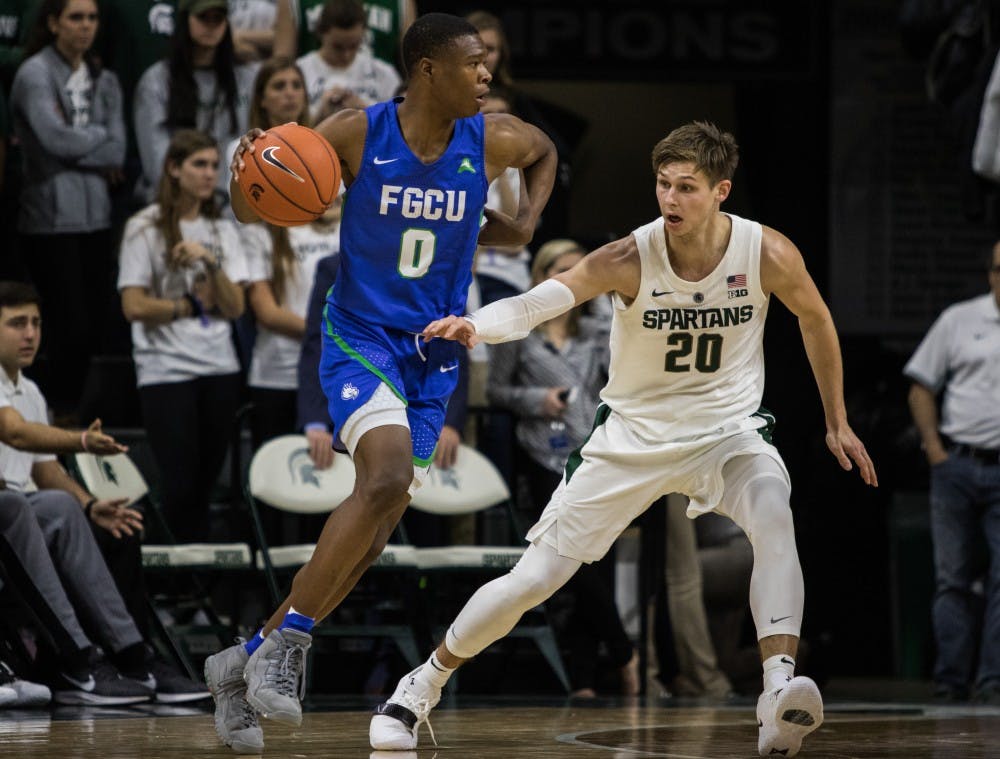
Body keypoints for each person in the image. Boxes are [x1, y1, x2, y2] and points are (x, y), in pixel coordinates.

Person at [374, 121, 878, 758]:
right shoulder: (629, 256)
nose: (670, 199)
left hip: (725, 431)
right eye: (663, 185)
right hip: (630, 438)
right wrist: (475, 325)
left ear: (721, 191)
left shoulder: (767, 252)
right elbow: (538, 302)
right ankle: (420, 686)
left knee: (775, 512)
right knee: (534, 579)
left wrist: (836, 418)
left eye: (686, 188)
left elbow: (815, 319)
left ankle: (777, 691)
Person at [204, 12, 556, 754]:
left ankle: (239, 661)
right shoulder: (355, 132)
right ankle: (294, 639)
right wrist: (249, 169)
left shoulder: (492, 139)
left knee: (381, 518)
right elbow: (252, 206)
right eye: (473, 63)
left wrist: (522, 225)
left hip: (433, 353)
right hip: (360, 336)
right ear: (428, 69)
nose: (487, 74)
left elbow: (547, 150)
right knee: (386, 472)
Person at [0, 280, 209, 705]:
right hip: (12, 513)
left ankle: (135, 657)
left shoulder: (32, 391)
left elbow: (44, 469)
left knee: (119, 528)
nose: (30, 334)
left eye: (36, 323)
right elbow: (15, 433)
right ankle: (76, 661)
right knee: (37, 505)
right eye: (17, 323)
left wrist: (92, 505)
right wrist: (80, 441)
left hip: (26, 508)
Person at [487, 238, 638, 698]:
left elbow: (622, 380)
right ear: (543, 278)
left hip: (594, 452)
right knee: (575, 564)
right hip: (541, 455)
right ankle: (624, 650)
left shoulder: (598, 330)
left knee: (596, 563)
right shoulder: (523, 333)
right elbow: (496, 391)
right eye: (563, 270)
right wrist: (537, 400)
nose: (576, 279)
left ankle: (586, 680)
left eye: (581, 270)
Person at [118, 129, 248, 542]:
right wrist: (189, 307)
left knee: (207, 485)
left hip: (219, 366)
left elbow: (236, 307)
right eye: (199, 165)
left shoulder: (222, 230)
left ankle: (199, 592)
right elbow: (134, 306)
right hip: (165, 369)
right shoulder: (145, 226)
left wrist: (209, 261)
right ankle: (172, 584)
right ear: (174, 169)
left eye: (213, 165)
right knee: (179, 483)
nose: (209, 174)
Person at [9, 0, 126, 418]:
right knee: (63, 326)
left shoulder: (105, 78)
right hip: (49, 220)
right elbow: (53, 140)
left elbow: (119, 148)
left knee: (96, 327)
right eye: (76, 17)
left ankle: (83, 416)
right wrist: (95, 142)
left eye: (92, 18)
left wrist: (77, 146)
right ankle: (53, 414)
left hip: (96, 217)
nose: (86, 26)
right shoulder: (34, 74)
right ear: (54, 22)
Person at [904, 244, 1000, 705]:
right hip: (957, 465)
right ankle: (950, 681)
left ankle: (992, 681)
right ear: (990, 274)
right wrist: (935, 450)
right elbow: (921, 386)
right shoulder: (960, 319)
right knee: (952, 577)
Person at [133, 0, 259, 203]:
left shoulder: (247, 78)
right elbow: (156, 162)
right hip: (173, 203)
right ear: (185, 21)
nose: (210, 25)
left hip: (232, 203)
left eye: (217, 19)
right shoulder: (156, 81)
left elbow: (253, 146)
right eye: (203, 17)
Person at [295, 0, 400, 123]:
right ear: (321, 33)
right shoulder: (299, 72)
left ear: (364, 34)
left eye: (354, 46)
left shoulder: (385, 74)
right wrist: (319, 114)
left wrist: (365, 111)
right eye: (338, 47)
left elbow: (400, 127)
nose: (346, 55)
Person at [273, 0, 416, 72]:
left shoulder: (400, 3)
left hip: (378, 93)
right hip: (314, 93)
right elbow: (281, 64)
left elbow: (413, 67)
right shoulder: (295, 2)